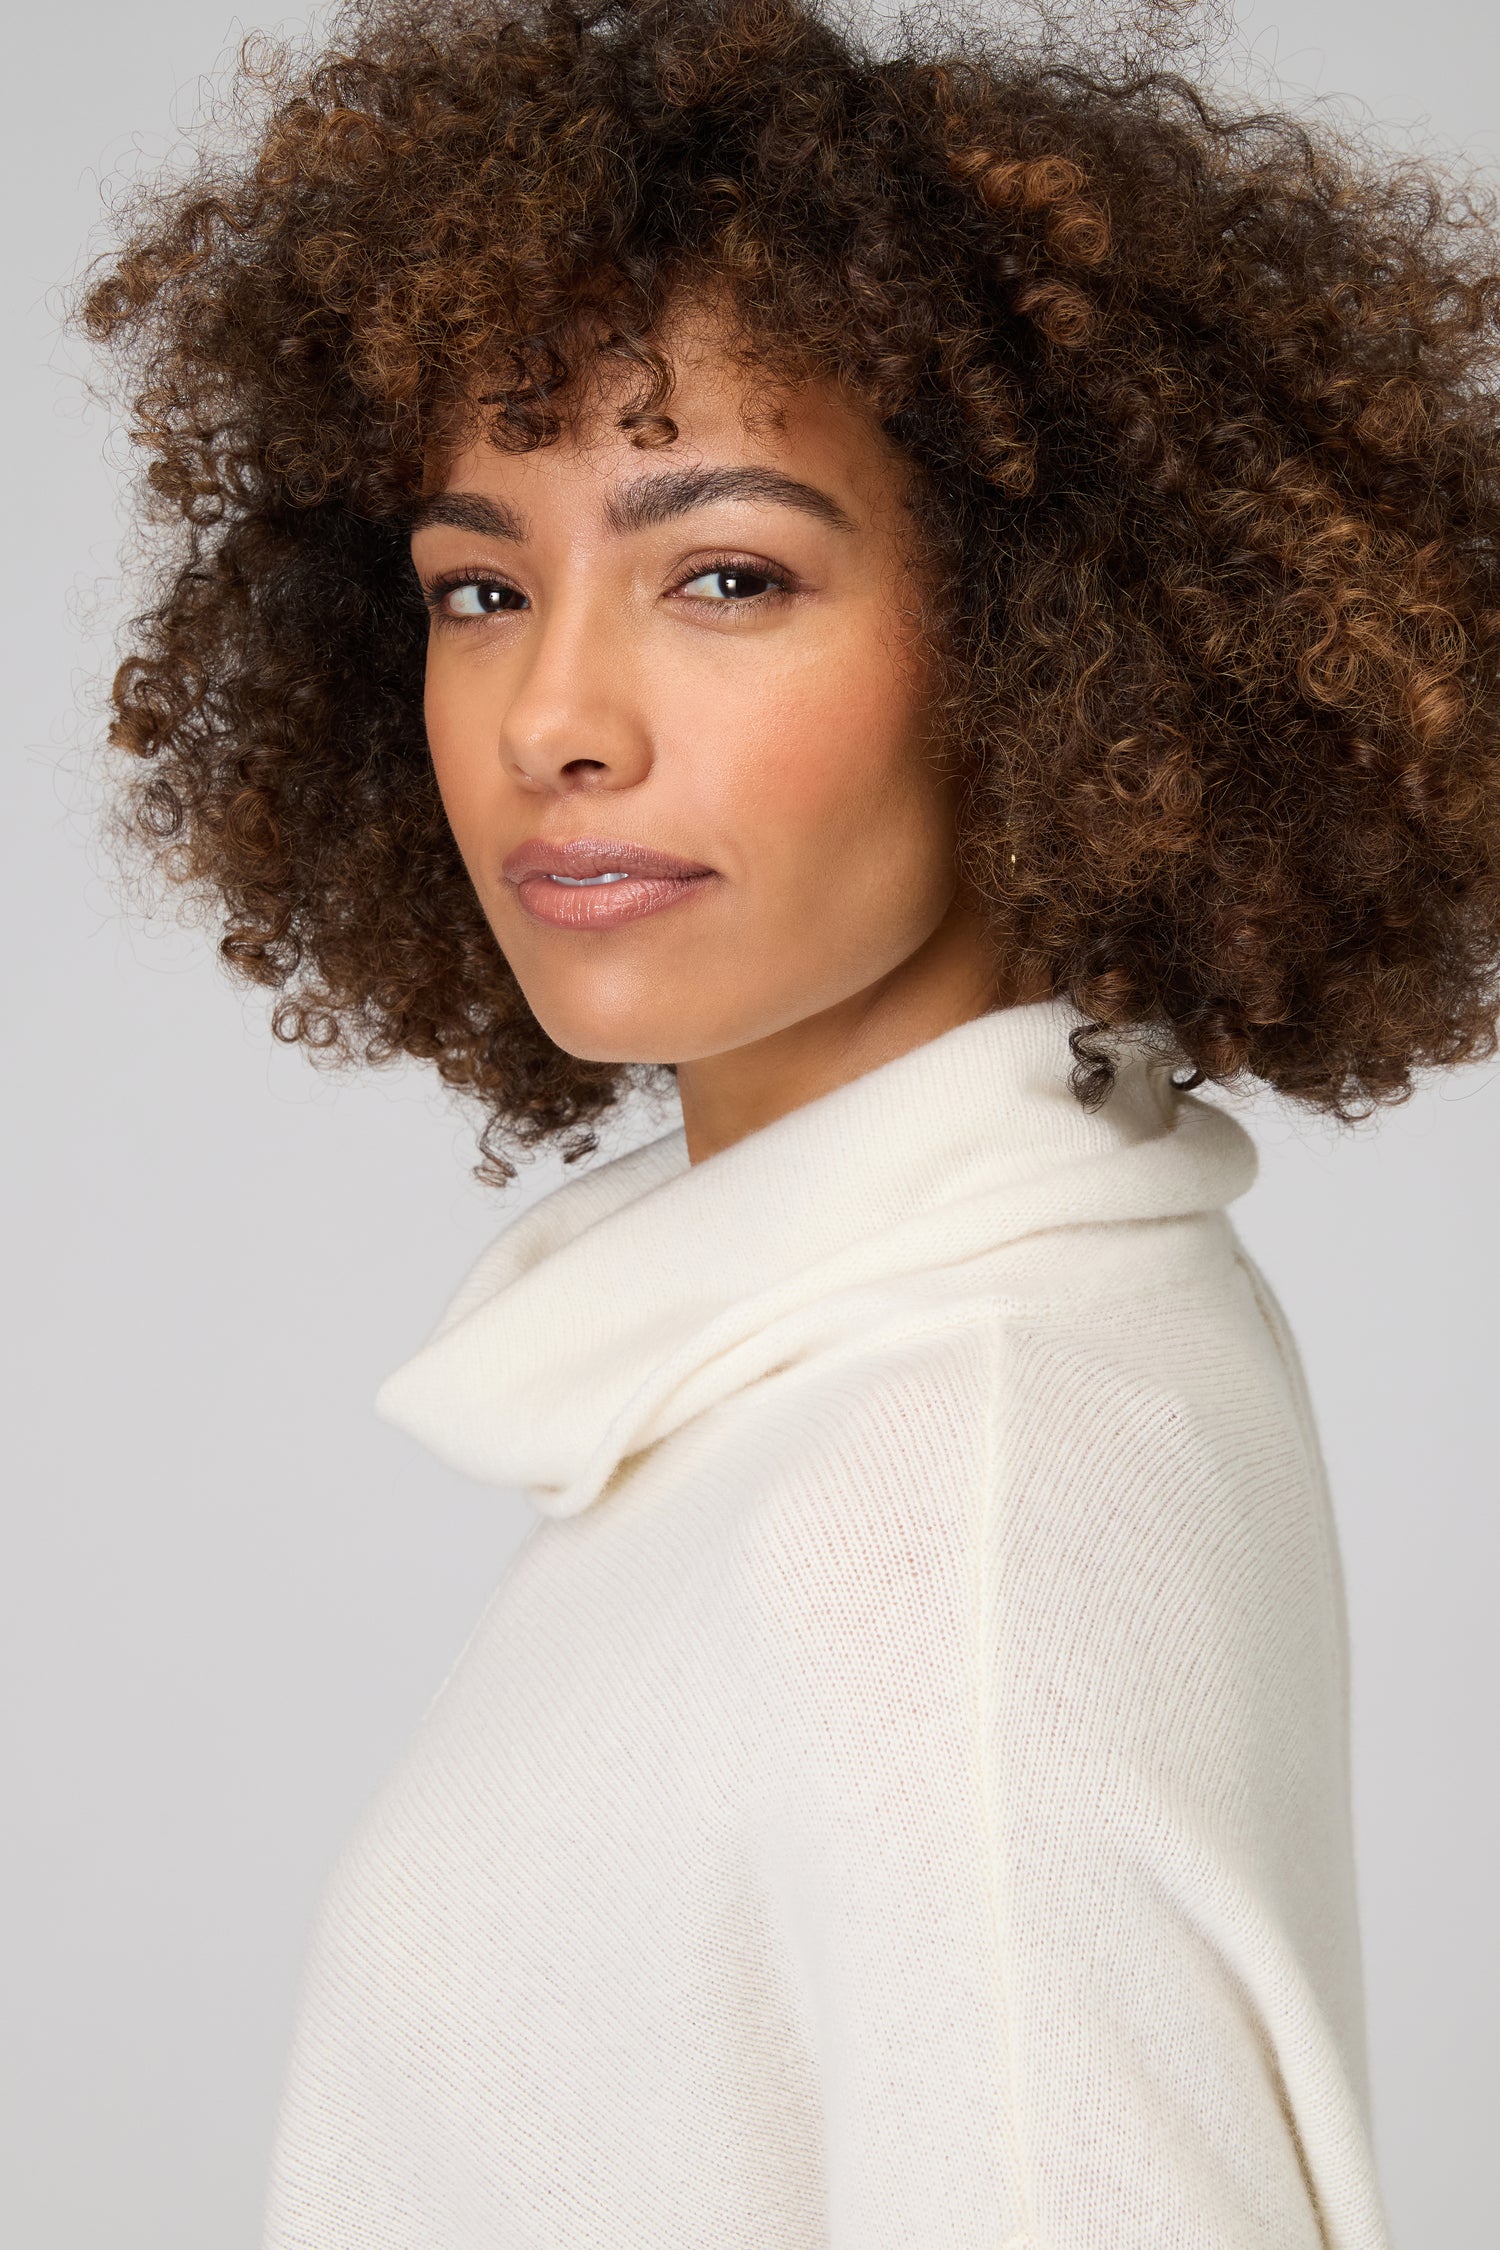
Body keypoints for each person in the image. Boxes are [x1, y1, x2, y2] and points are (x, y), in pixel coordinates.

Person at [80, 0, 1500, 2242]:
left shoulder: (953, 1498)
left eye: (726, 573)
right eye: (481, 587)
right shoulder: (888, 1365)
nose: (553, 713)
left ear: (1050, 646)